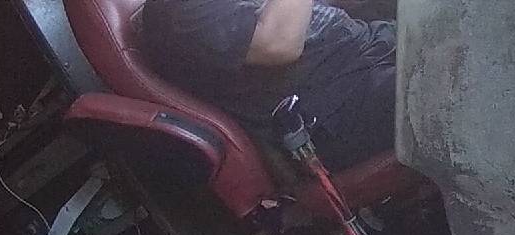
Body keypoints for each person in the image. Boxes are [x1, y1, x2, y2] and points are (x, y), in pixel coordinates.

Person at [142, 0, 398, 171]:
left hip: (365, 50)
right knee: (424, 85)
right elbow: (279, 44)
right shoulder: (179, 10)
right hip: (338, 107)